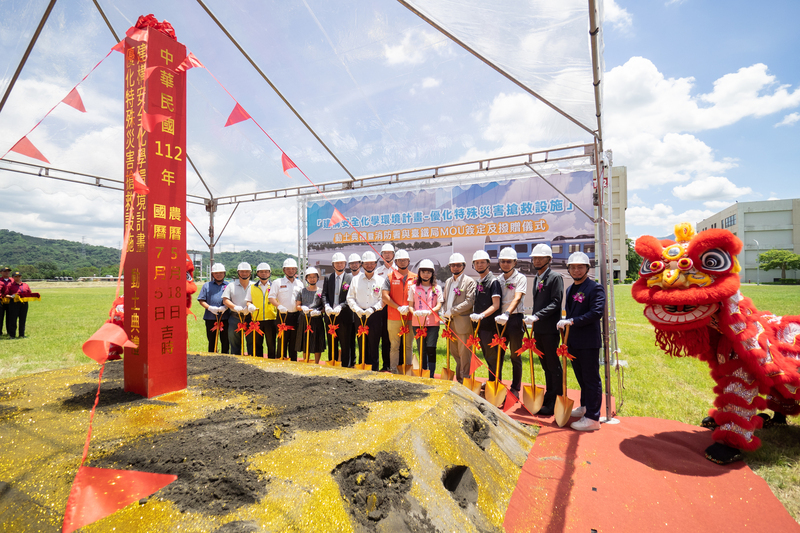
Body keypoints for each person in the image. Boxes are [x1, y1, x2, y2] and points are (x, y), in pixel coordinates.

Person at [558, 251, 605, 432]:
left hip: (589, 341)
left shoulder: (595, 288)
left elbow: (596, 313)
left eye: (580, 267)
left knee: (591, 379)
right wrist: (566, 322)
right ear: (568, 269)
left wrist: (572, 321)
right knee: (582, 378)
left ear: (587, 268)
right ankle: (585, 407)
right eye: (573, 267)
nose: (576, 270)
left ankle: (593, 418)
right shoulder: (570, 289)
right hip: (574, 341)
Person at [524, 244, 564, 417]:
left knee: (553, 366)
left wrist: (537, 316)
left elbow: (556, 302)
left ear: (549, 259)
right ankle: (549, 397)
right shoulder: (537, 278)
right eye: (535, 258)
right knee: (546, 366)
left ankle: (556, 399)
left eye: (541, 258)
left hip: (550, 329)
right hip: (539, 329)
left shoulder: (555, 277)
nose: (537, 261)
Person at [494, 247, 528, 398]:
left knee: (515, 355)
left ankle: (515, 388)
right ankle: (496, 383)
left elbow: (518, 297)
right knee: (498, 354)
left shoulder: (520, 278)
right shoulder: (498, 279)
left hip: (514, 319)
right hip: (500, 321)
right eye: (503, 261)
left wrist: (507, 313)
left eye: (509, 261)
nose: (505, 264)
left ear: (515, 262)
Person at [346, 251, 385, 370]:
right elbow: (350, 297)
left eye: (372, 263)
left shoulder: (380, 280)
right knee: (361, 342)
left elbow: (383, 299)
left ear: (375, 264)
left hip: (375, 315)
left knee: (374, 343)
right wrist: (356, 309)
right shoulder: (355, 280)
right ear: (362, 265)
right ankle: (362, 366)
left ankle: (374, 369)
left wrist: (373, 309)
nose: (369, 266)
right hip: (359, 314)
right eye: (366, 263)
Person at [441, 253, 477, 382]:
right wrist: (443, 311)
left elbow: (469, 302)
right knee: (455, 353)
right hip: (450, 323)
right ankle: (460, 378)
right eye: (453, 265)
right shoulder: (448, 282)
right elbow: (445, 300)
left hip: (463, 324)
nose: (455, 267)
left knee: (464, 353)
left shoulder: (469, 282)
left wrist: (452, 311)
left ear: (464, 266)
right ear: (449, 267)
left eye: (458, 265)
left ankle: (465, 380)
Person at [469, 250, 502, 382]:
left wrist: (481, 315)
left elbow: (496, 305)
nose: (479, 265)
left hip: (490, 326)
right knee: (487, 355)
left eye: (482, 262)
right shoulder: (479, 281)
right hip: (480, 325)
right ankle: (491, 381)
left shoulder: (493, 281)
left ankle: (495, 384)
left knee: (492, 357)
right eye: (477, 263)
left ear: (488, 263)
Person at [381, 249, 416, 373]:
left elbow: (419, 296)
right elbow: (385, 296)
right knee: (394, 346)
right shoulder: (390, 277)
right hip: (394, 317)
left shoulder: (415, 278)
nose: (402, 262)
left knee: (408, 346)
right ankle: (394, 370)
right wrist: (398, 307)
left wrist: (409, 307)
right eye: (399, 260)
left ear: (409, 261)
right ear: (395, 262)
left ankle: (407, 370)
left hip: (410, 317)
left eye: (404, 260)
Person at [409, 259, 443, 378]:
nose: (426, 274)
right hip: (417, 323)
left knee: (431, 348)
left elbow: (439, 304)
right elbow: (410, 305)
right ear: (419, 273)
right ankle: (423, 373)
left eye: (428, 272)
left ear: (432, 273)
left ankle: (431, 374)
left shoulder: (437, 288)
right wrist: (415, 313)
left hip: (433, 323)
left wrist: (430, 311)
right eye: (423, 272)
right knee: (421, 349)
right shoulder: (413, 288)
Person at [323, 252, 354, 367]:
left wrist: (341, 306)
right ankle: (333, 365)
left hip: (345, 316)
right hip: (330, 316)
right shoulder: (328, 278)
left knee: (345, 344)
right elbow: (324, 294)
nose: (339, 265)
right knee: (332, 343)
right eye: (337, 263)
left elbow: (351, 297)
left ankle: (346, 366)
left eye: (341, 263)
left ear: (345, 264)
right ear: (333, 265)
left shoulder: (351, 278)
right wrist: (326, 305)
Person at [270, 258, 304, 361]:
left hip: (296, 316)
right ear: (284, 270)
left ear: (296, 270)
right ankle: (280, 363)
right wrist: (279, 306)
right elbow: (271, 297)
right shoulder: (277, 282)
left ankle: (293, 362)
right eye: (288, 269)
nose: (291, 271)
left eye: (293, 269)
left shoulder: (300, 284)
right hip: (283, 316)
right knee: (282, 341)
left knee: (294, 342)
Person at [222, 262, 255, 355]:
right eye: (242, 271)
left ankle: (252, 361)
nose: (244, 273)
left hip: (251, 317)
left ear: (250, 273)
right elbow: (225, 300)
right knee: (234, 343)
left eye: (247, 271)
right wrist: (235, 307)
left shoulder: (254, 285)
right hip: (235, 317)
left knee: (252, 342)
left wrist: (250, 307)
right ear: (238, 273)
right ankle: (235, 361)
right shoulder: (231, 285)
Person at [197, 262, 230, 353]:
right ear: (212, 274)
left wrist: (226, 307)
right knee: (211, 341)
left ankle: (225, 357)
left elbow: (232, 300)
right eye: (216, 273)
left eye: (221, 272)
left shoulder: (229, 285)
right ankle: (212, 357)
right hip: (210, 318)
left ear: (224, 273)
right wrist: (210, 308)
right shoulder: (206, 285)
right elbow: (201, 300)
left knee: (226, 341)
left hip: (225, 317)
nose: (218, 275)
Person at [295, 267, 326, 363]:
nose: (312, 279)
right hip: (304, 319)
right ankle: (306, 361)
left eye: (314, 277)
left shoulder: (322, 291)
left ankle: (316, 363)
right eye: (310, 277)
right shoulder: (302, 291)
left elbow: (325, 307)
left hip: (317, 319)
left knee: (317, 341)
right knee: (305, 341)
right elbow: (297, 306)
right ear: (306, 278)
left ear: (317, 278)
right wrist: (302, 308)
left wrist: (319, 312)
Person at [375, 243, 396, 371]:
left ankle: (397, 364)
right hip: (381, 308)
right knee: (384, 336)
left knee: (395, 337)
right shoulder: (377, 272)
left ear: (393, 254)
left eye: (390, 253)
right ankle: (386, 365)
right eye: (385, 253)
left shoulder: (398, 270)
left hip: (395, 307)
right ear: (381, 255)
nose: (387, 255)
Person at [250, 262, 277, 358]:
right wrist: (250, 305)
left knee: (271, 344)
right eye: (261, 272)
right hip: (257, 319)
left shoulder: (274, 286)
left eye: (266, 271)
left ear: (269, 273)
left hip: (271, 319)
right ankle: (259, 363)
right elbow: (248, 301)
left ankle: (272, 363)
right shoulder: (252, 287)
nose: (264, 273)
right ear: (257, 273)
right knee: (257, 344)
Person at [5, 272, 33, 338]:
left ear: (21, 277)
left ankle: (21, 334)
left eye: (19, 276)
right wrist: (11, 296)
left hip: (24, 303)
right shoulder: (10, 285)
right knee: (13, 319)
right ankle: (12, 335)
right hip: (14, 303)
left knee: (22, 319)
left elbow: (30, 293)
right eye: (16, 277)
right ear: (13, 278)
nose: (17, 278)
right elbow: (5, 295)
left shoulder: (25, 285)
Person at [347, 252, 362, 365]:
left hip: (361, 312)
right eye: (352, 263)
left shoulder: (363, 277)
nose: (354, 265)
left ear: (360, 264)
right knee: (350, 338)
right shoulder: (347, 278)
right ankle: (352, 361)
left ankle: (362, 361)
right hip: (348, 312)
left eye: (356, 263)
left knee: (361, 339)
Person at [0, 266, 11, 336]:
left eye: (8, 271)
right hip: (1, 300)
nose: (7, 272)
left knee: (10, 317)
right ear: (1, 273)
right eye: (5, 271)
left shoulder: (12, 280)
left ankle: (10, 331)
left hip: (10, 301)